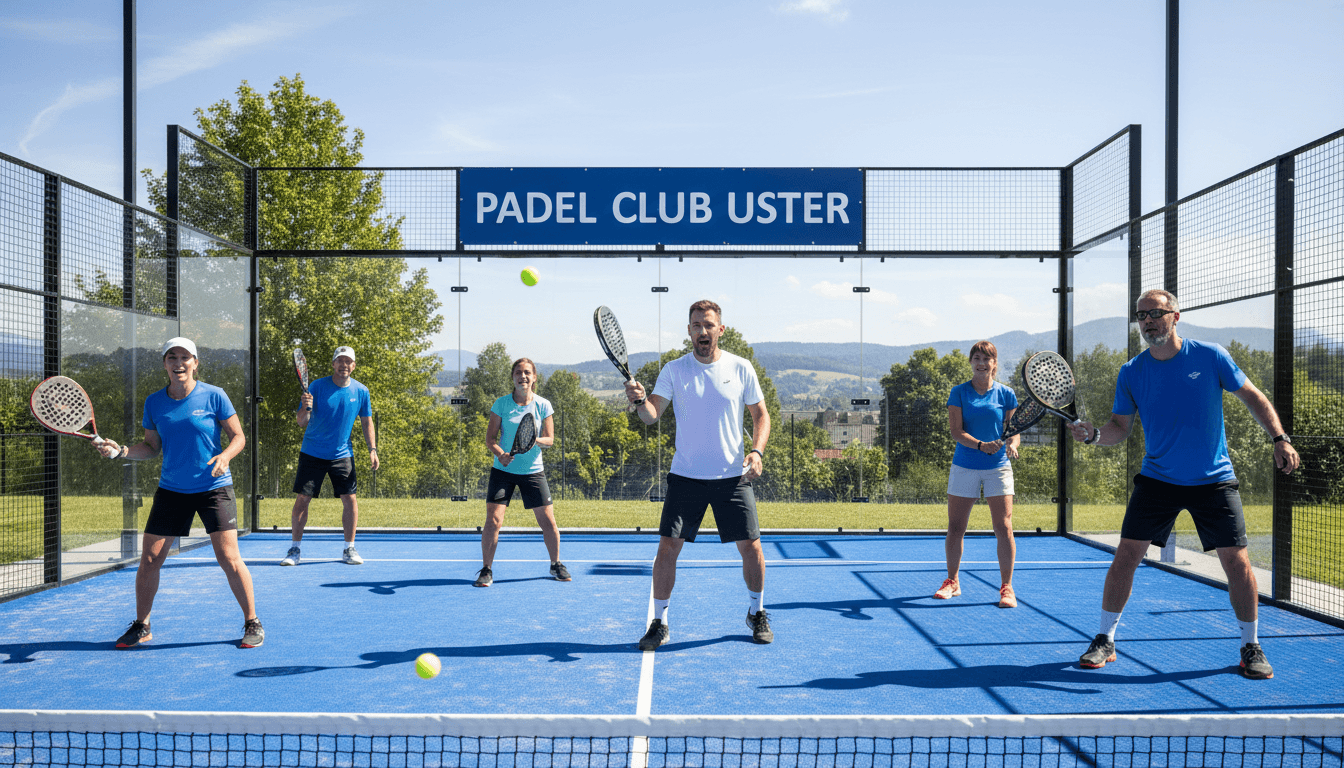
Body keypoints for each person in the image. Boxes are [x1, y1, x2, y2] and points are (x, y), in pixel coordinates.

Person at [1069, 289, 1300, 680]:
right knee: (1126, 556)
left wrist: (1280, 437)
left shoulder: (1211, 356)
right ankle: (1105, 638)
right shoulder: (1132, 372)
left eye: (1156, 313)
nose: (1147, 322)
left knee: (1237, 562)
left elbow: (1253, 397)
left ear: (1176, 316)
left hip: (1214, 481)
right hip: (1157, 479)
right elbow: (1119, 429)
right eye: (1141, 316)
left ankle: (1250, 645)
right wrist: (1093, 436)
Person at [624, 300, 773, 650]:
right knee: (668, 548)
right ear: (688, 331)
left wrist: (756, 451)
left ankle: (757, 612)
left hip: (732, 477)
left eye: (708, 325)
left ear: (721, 329)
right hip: (686, 477)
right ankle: (659, 622)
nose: (702, 331)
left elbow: (761, 416)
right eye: (696, 325)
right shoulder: (674, 370)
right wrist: (637, 401)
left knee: (751, 547)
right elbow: (650, 415)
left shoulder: (741, 367)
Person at [96, 337, 263, 649]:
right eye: (171, 357)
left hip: (214, 488)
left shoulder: (215, 396)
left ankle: (252, 621)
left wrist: (225, 456)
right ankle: (142, 625)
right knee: (149, 559)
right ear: (165, 364)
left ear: (195, 363)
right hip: (172, 490)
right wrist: (120, 451)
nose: (178, 363)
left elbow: (238, 436)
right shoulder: (155, 403)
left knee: (229, 558)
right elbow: (150, 448)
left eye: (185, 357)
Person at [937, 341, 1021, 608]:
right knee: (956, 527)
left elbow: (1014, 430)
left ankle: (1007, 588)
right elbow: (956, 431)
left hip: (998, 467)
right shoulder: (959, 393)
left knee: (1004, 527)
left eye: (987, 358)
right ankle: (952, 581)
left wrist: (1012, 445)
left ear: (995, 363)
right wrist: (981, 445)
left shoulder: (1006, 394)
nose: (982, 363)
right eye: (976, 358)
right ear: (971, 362)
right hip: (964, 465)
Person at [281, 346, 378, 566]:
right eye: (340, 361)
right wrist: (306, 408)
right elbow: (301, 422)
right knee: (303, 500)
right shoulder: (316, 386)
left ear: (353, 366)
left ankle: (349, 549)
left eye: (348, 361)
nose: (344, 365)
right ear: (333, 364)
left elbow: (366, 422)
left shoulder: (361, 391)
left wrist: (372, 449)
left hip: (342, 454)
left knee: (350, 500)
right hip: (312, 452)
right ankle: (295, 549)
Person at [474, 357, 565, 587]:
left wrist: (534, 441)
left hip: (534, 472)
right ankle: (486, 570)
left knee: (548, 522)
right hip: (502, 471)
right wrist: (501, 454)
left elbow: (550, 440)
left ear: (534, 378)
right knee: (493, 521)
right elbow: (490, 439)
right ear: (513, 377)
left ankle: (555, 564)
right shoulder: (501, 404)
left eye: (527, 373)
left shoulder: (543, 405)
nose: (522, 376)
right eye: (518, 373)